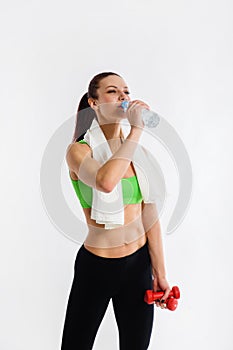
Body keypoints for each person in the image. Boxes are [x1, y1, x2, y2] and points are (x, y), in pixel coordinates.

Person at [61, 72, 171, 350]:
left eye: (126, 91)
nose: (123, 97)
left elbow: (150, 216)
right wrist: (136, 130)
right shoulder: (78, 151)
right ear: (94, 103)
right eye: (112, 91)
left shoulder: (137, 153)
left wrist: (160, 273)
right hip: (98, 267)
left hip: (139, 265)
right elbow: (106, 182)